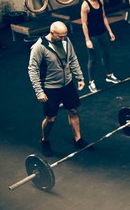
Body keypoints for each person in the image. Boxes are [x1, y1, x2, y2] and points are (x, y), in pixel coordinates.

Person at [28, 21, 90, 157]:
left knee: (73, 111)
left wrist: (80, 77)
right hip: (50, 87)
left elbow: (73, 58)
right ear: (52, 33)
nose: (63, 39)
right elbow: (33, 70)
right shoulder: (40, 47)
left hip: (67, 83)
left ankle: (78, 139)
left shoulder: (66, 40)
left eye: (64, 36)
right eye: (60, 37)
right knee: (51, 118)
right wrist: (39, 91)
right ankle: (45, 141)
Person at [80, 0, 120, 93]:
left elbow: (104, 17)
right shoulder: (85, 5)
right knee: (92, 59)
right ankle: (91, 82)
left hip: (102, 33)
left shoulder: (100, 1)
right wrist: (87, 40)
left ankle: (109, 75)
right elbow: (84, 24)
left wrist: (110, 32)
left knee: (106, 54)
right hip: (92, 36)